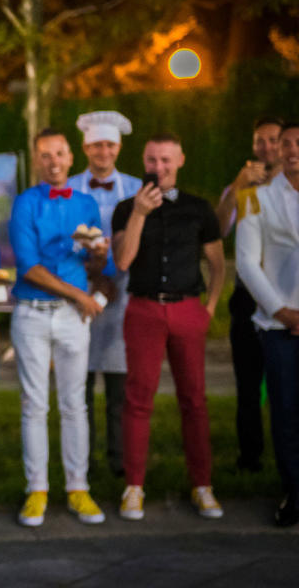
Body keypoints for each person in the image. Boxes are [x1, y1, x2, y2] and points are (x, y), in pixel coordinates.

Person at [112, 133, 225, 521]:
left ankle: (203, 485)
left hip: (187, 311)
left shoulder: (198, 209)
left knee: (194, 400)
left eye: (165, 160)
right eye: (151, 160)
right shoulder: (126, 207)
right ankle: (134, 487)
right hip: (143, 311)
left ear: (180, 160)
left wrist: (208, 306)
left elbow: (217, 262)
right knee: (138, 399)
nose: (158, 168)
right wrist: (140, 215)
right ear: (142, 161)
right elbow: (123, 262)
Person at [9, 128, 107, 528]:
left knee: (75, 404)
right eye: (45, 155)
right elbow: (29, 267)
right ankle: (37, 491)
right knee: (34, 404)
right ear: (37, 161)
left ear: (71, 158)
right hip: (32, 313)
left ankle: (78, 488)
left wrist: (99, 255)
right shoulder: (24, 203)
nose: (53, 161)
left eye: (59, 154)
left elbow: (99, 267)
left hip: (73, 319)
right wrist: (80, 296)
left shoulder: (87, 203)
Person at [68, 111, 142, 477]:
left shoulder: (137, 187)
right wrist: (91, 271)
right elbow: (60, 239)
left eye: (109, 144)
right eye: (97, 144)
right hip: (77, 293)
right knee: (78, 386)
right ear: (85, 147)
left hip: (123, 297)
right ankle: (82, 462)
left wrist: (115, 271)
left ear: (119, 147)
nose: (103, 151)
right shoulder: (66, 187)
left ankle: (118, 461)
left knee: (118, 386)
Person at [235, 121, 299, 527]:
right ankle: (294, 491)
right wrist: (282, 311)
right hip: (279, 328)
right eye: (288, 144)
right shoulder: (254, 199)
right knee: (287, 412)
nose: (293, 150)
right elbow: (245, 262)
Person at [215, 116, 283, 473]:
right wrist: (238, 187)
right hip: (247, 299)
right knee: (248, 383)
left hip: (288, 299)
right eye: (260, 141)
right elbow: (217, 228)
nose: (267, 147)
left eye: (274, 140)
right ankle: (250, 456)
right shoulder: (241, 187)